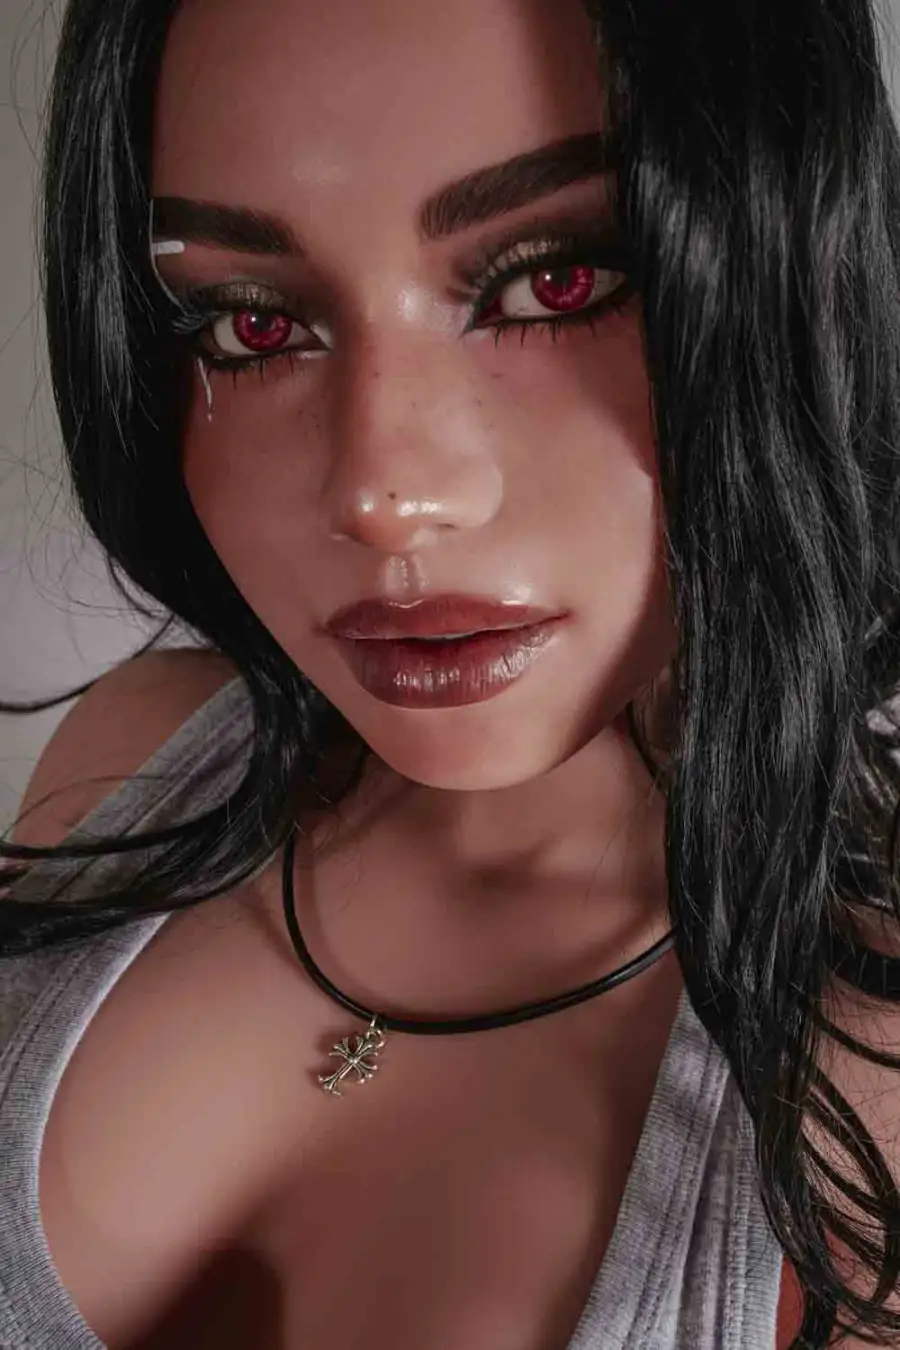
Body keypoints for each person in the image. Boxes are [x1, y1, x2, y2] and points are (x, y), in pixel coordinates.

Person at [2, 0, 900, 1344]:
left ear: (794, 264)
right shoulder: (129, 753)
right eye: (251, 324)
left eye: (555, 282)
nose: (381, 496)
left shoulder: (867, 1085)